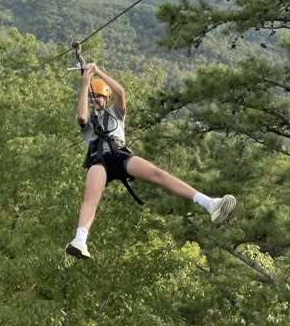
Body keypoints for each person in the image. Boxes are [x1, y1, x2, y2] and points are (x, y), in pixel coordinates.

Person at [65, 62, 236, 259]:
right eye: (92, 98)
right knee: (91, 196)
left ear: (106, 98)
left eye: (99, 97)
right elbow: (81, 116)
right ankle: (80, 240)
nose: (95, 100)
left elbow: (120, 92)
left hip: (120, 155)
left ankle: (210, 204)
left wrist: (98, 72)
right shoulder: (88, 121)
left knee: (158, 174)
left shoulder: (116, 114)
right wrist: (85, 82)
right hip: (99, 159)